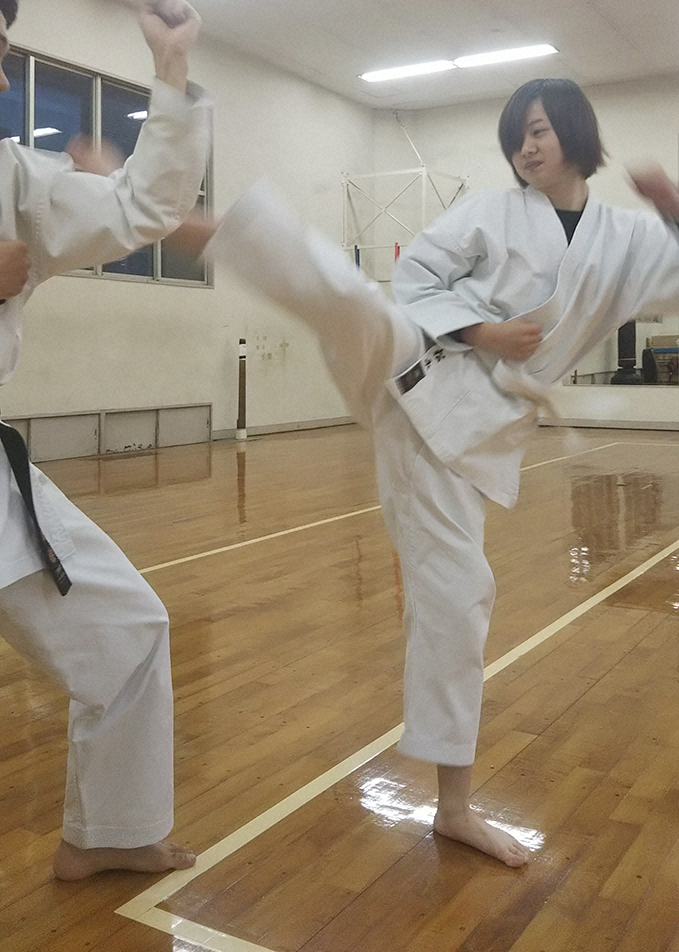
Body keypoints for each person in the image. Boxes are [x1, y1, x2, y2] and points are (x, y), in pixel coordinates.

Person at [166, 78, 679, 868]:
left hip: (469, 434)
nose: (526, 147)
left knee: (458, 599)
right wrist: (482, 330)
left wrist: (670, 203)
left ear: (575, 133)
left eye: (539, 130)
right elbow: (414, 281)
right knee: (351, 296)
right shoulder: (490, 212)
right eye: (517, 135)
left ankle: (452, 809)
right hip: (419, 365)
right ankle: (182, 224)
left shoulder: (627, 240)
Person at [0, 0, 211, 879]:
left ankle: (111, 834)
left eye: (3, 53)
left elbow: (139, 210)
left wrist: (170, 66)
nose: (1, 74)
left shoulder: (13, 176)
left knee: (126, 632)